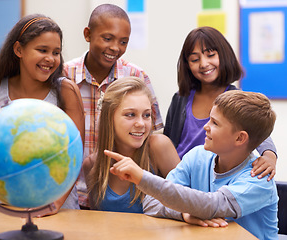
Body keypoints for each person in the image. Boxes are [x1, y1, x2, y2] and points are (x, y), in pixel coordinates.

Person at [107, 90, 279, 240]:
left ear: (240, 138)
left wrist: (141, 177)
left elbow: (212, 206)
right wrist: (184, 214)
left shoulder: (259, 179)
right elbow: (151, 203)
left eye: (215, 123)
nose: (205, 127)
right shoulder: (197, 156)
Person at [0, 14, 85, 214]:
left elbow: (75, 155)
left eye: (56, 52)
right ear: (18, 50)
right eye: (42, 50)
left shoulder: (66, 91)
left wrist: (53, 205)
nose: (50, 59)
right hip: (5, 208)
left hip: (57, 212)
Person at [64, 4, 163, 208]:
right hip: (70, 195)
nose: (115, 47)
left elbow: (150, 135)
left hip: (120, 199)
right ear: (87, 34)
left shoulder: (137, 76)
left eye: (123, 41)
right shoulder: (65, 76)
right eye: (107, 38)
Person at [164, 26, 277, 181]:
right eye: (195, 59)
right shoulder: (180, 98)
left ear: (223, 55)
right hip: (178, 172)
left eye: (210, 55)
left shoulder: (235, 98)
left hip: (214, 175)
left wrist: (269, 156)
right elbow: (168, 142)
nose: (203, 64)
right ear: (187, 65)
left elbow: (259, 132)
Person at [83, 77, 179, 213]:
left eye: (146, 115)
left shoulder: (158, 146)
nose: (141, 123)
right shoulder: (92, 165)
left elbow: (188, 202)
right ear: (109, 117)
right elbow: (98, 221)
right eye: (130, 115)